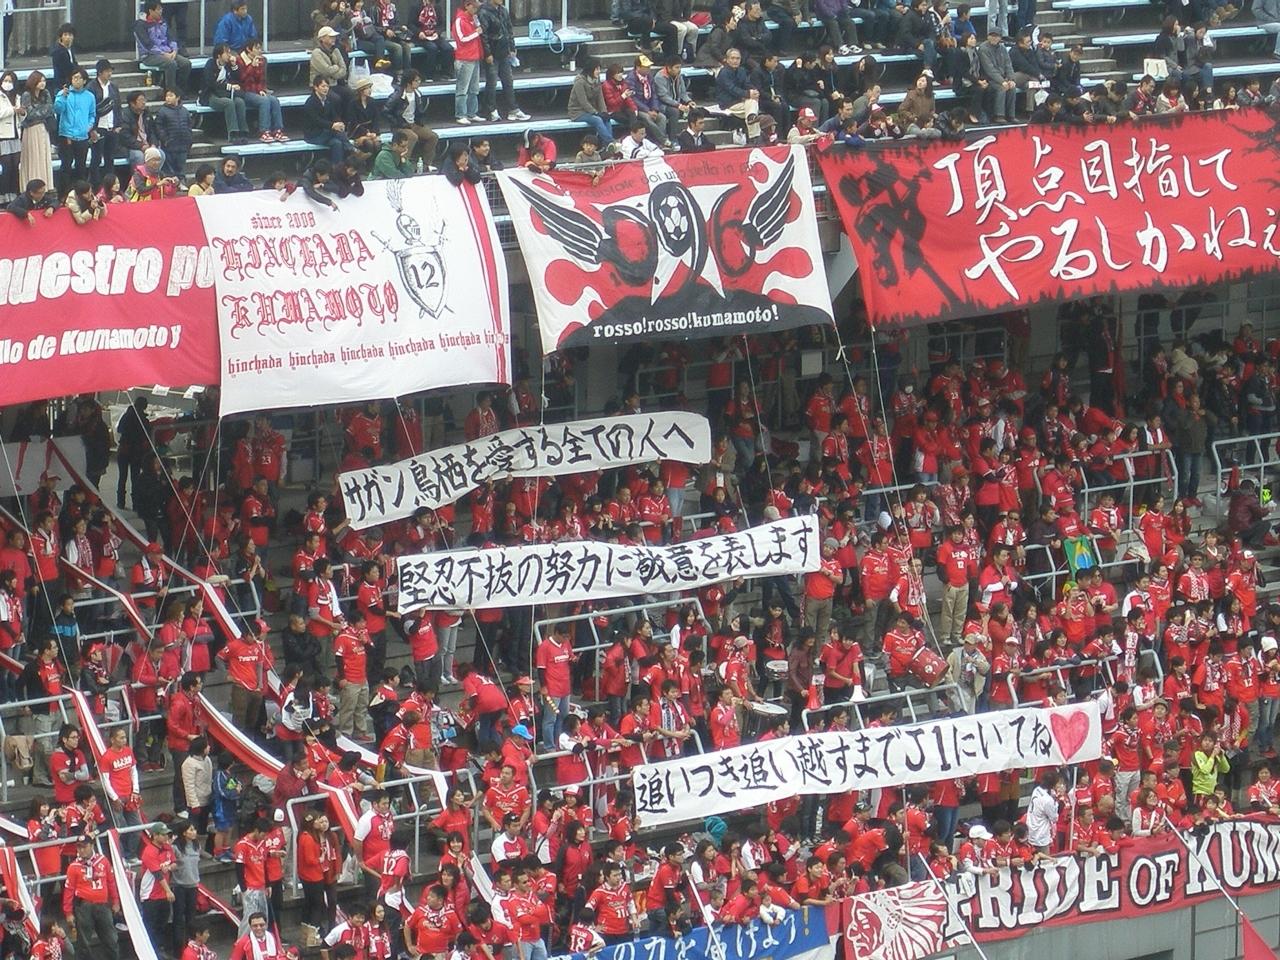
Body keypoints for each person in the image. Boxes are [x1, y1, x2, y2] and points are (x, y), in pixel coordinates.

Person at [63, 835, 120, 960]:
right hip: (84, 906)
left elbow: (111, 882)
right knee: (84, 943)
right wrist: (68, 913)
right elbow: (68, 890)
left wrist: (115, 901)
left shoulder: (103, 861)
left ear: (92, 845)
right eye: (79, 847)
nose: (81, 850)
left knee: (111, 939)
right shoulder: (74, 866)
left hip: (103, 905)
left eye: (84, 847)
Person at [479, 0, 529, 121]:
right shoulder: (483, 12)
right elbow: (483, 36)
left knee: (508, 81)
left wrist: (512, 47)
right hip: (492, 53)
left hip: (504, 52)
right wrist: (487, 53)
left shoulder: (503, 10)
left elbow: (509, 30)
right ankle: (491, 110)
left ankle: (513, 109)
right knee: (492, 83)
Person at [383, 69, 439, 170]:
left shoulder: (417, 94)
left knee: (433, 136)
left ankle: (427, 164)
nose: (419, 82)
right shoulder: (398, 95)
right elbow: (386, 111)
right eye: (416, 80)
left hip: (414, 124)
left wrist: (420, 121)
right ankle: (404, 163)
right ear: (409, 82)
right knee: (412, 137)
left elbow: (419, 112)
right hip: (400, 125)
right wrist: (397, 123)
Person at [136, 1, 192, 93]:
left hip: (168, 52)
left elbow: (171, 37)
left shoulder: (163, 21)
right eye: (158, 9)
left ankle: (180, 91)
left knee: (186, 63)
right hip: (149, 56)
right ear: (151, 11)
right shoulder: (140, 25)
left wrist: (174, 50)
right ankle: (170, 91)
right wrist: (163, 54)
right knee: (171, 64)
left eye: (161, 8)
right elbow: (147, 45)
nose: (161, 11)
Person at [238, 39, 286, 142]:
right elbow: (242, 79)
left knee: (274, 100)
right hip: (245, 92)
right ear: (249, 49)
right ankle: (264, 131)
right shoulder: (240, 60)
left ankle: (277, 130)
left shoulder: (261, 60)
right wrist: (252, 66)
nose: (260, 50)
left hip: (257, 91)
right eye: (257, 48)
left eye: (260, 48)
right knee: (264, 101)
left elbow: (261, 79)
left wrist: (260, 90)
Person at [200, 43, 249, 144]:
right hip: (210, 94)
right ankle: (233, 134)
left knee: (239, 102)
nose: (229, 55)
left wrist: (234, 65)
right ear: (219, 55)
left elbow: (238, 78)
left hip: (224, 93)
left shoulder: (228, 65)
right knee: (228, 103)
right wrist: (229, 86)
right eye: (226, 53)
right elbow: (210, 83)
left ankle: (243, 132)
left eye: (229, 52)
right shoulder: (210, 64)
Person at [714, 48, 761, 145]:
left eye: (738, 58)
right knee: (752, 105)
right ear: (727, 60)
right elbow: (732, 89)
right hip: (728, 104)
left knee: (752, 104)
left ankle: (751, 121)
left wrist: (754, 91)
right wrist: (748, 94)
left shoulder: (742, 70)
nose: (735, 61)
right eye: (732, 58)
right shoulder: (723, 73)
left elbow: (747, 84)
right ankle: (754, 137)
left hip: (742, 103)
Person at [303, 77, 354, 164]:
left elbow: (334, 115)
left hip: (326, 133)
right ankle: (352, 150)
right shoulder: (310, 102)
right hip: (314, 134)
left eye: (327, 86)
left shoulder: (328, 100)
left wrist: (339, 123)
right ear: (315, 87)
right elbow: (316, 121)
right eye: (323, 86)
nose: (326, 89)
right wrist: (332, 126)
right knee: (335, 132)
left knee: (337, 143)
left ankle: (337, 167)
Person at [88, 60, 123, 185]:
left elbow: (118, 106)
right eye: (107, 71)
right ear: (100, 72)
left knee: (110, 158)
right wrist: (92, 129)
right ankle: (95, 185)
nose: (109, 73)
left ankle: (110, 186)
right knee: (96, 159)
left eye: (110, 71)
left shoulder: (113, 87)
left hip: (111, 126)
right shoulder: (91, 87)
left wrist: (118, 125)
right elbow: (89, 109)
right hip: (98, 127)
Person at [568, 59, 615, 148]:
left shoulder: (597, 80)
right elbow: (583, 102)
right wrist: (596, 113)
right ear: (590, 69)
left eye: (599, 69)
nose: (599, 71)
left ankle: (607, 147)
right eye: (597, 69)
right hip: (578, 112)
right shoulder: (580, 81)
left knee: (606, 119)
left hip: (592, 111)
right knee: (597, 120)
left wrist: (604, 112)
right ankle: (611, 142)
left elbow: (600, 98)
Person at [19, 72, 54, 190]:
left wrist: (41, 111)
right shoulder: (26, 95)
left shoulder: (46, 93)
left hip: (44, 128)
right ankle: (31, 186)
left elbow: (50, 109)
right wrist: (43, 111)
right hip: (31, 129)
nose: (43, 83)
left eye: (44, 80)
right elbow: (30, 114)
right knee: (33, 157)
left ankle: (45, 185)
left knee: (43, 156)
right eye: (40, 81)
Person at [453, 0, 486, 123]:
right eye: (474, 7)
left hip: (475, 57)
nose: (476, 10)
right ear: (467, 6)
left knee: (474, 88)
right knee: (462, 89)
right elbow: (461, 39)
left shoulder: (473, 19)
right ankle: (460, 115)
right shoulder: (459, 20)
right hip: (464, 59)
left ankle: (472, 113)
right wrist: (476, 33)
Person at [976, 28, 1016, 121]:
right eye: (992, 35)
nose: (994, 38)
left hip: (1002, 77)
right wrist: (1002, 81)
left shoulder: (1003, 48)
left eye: (996, 36)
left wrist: (1011, 79)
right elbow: (989, 69)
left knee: (1012, 87)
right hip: (988, 78)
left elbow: (1008, 65)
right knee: (1002, 88)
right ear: (988, 36)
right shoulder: (983, 48)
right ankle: (999, 115)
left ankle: (1011, 115)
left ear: (1000, 38)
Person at [409, 0, 455, 79]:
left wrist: (437, 32)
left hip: (434, 35)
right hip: (420, 37)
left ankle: (446, 73)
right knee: (432, 48)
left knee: (448, 48)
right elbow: (410, 24)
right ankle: (428, 74)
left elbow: (441, 24)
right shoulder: (415, 6)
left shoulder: (437, 7)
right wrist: (419, 32)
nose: (432, 3)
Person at [155, 86, 194, 178]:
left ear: (177, 97)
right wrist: (165, 140)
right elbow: (159, 127)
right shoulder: (162, 111)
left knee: (181, 168)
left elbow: (189, 126)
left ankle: (181, 181)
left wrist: (189, 140)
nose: (168, 98)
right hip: (169, 145)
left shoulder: (184, 111)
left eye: (171, 96)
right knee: (169, 170)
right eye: (167, 96)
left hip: (183, 145)